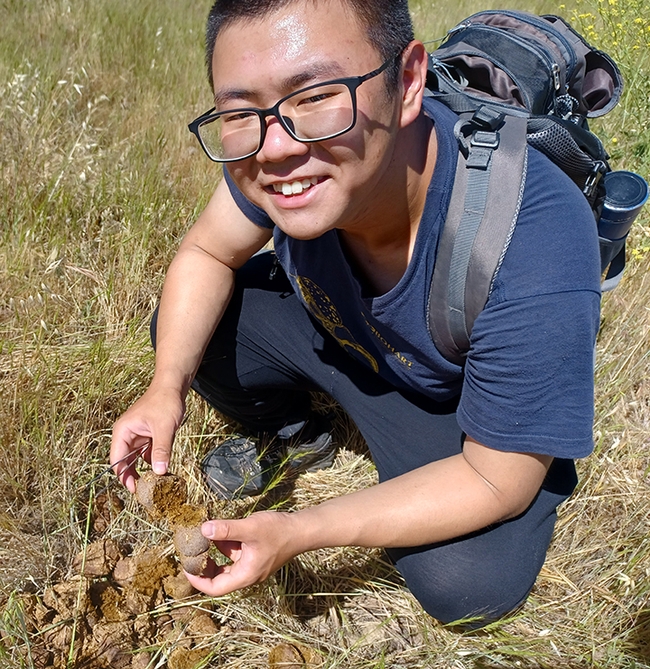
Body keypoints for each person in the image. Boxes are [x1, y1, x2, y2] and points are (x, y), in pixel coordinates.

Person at [110, 0, 601, 625]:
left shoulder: (535, 233)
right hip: (346, 337)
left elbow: (495, 480)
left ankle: (393, 433)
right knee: (186, 333)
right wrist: (164, 389)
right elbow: (207, 250)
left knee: (468, 584)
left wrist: (300, 530)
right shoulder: (279, 156)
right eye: (241, 113)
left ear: (408, 83)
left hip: (444, 398)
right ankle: (302, 432)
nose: (276, 149)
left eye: (315, 96)